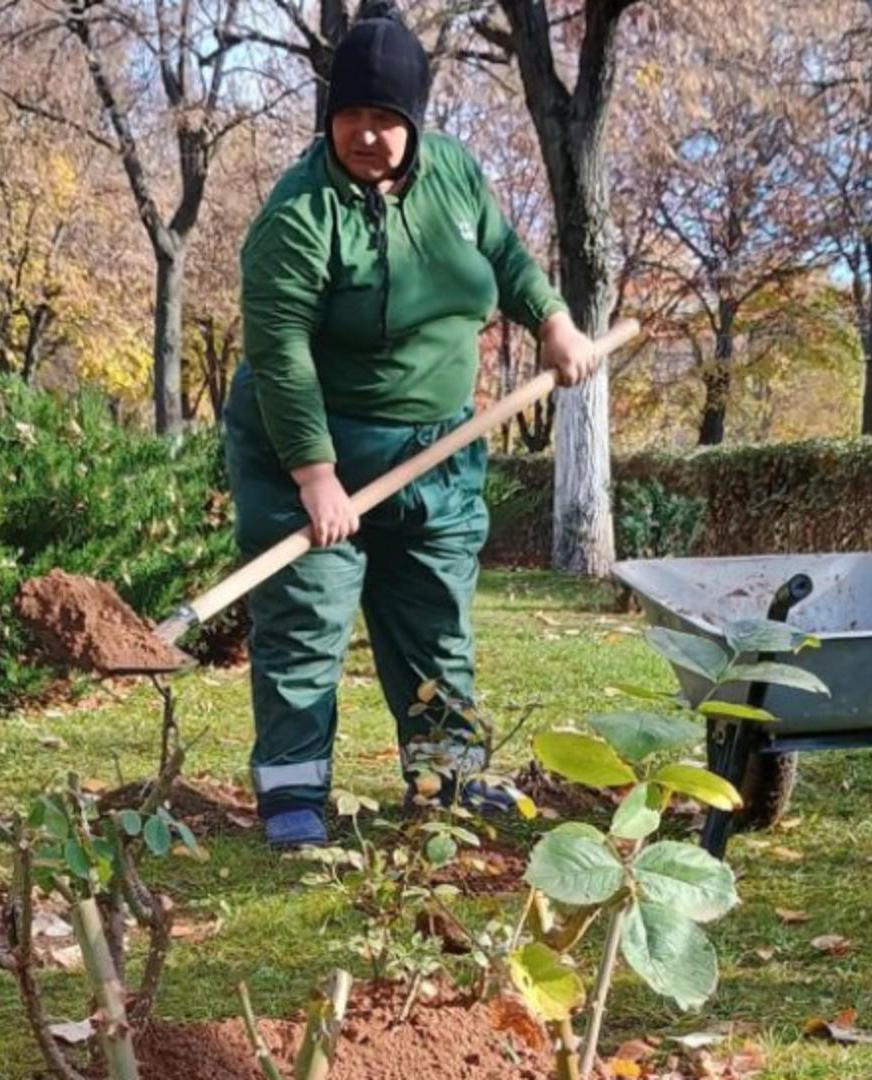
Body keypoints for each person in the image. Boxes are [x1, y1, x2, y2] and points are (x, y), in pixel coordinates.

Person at [224, 0, 598, 850]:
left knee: (433, 617)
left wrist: (552, 321)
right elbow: (279, 351)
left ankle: (447, 780)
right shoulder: (297, 215)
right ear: (330, 121)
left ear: (415, 122)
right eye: (351, 116)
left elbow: (503, 256)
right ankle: (293, 794)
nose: (367, 135)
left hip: (437, 447)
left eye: (386, 119)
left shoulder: (457, 177)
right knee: (308, 615)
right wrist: (315, 476)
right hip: (311, 441)